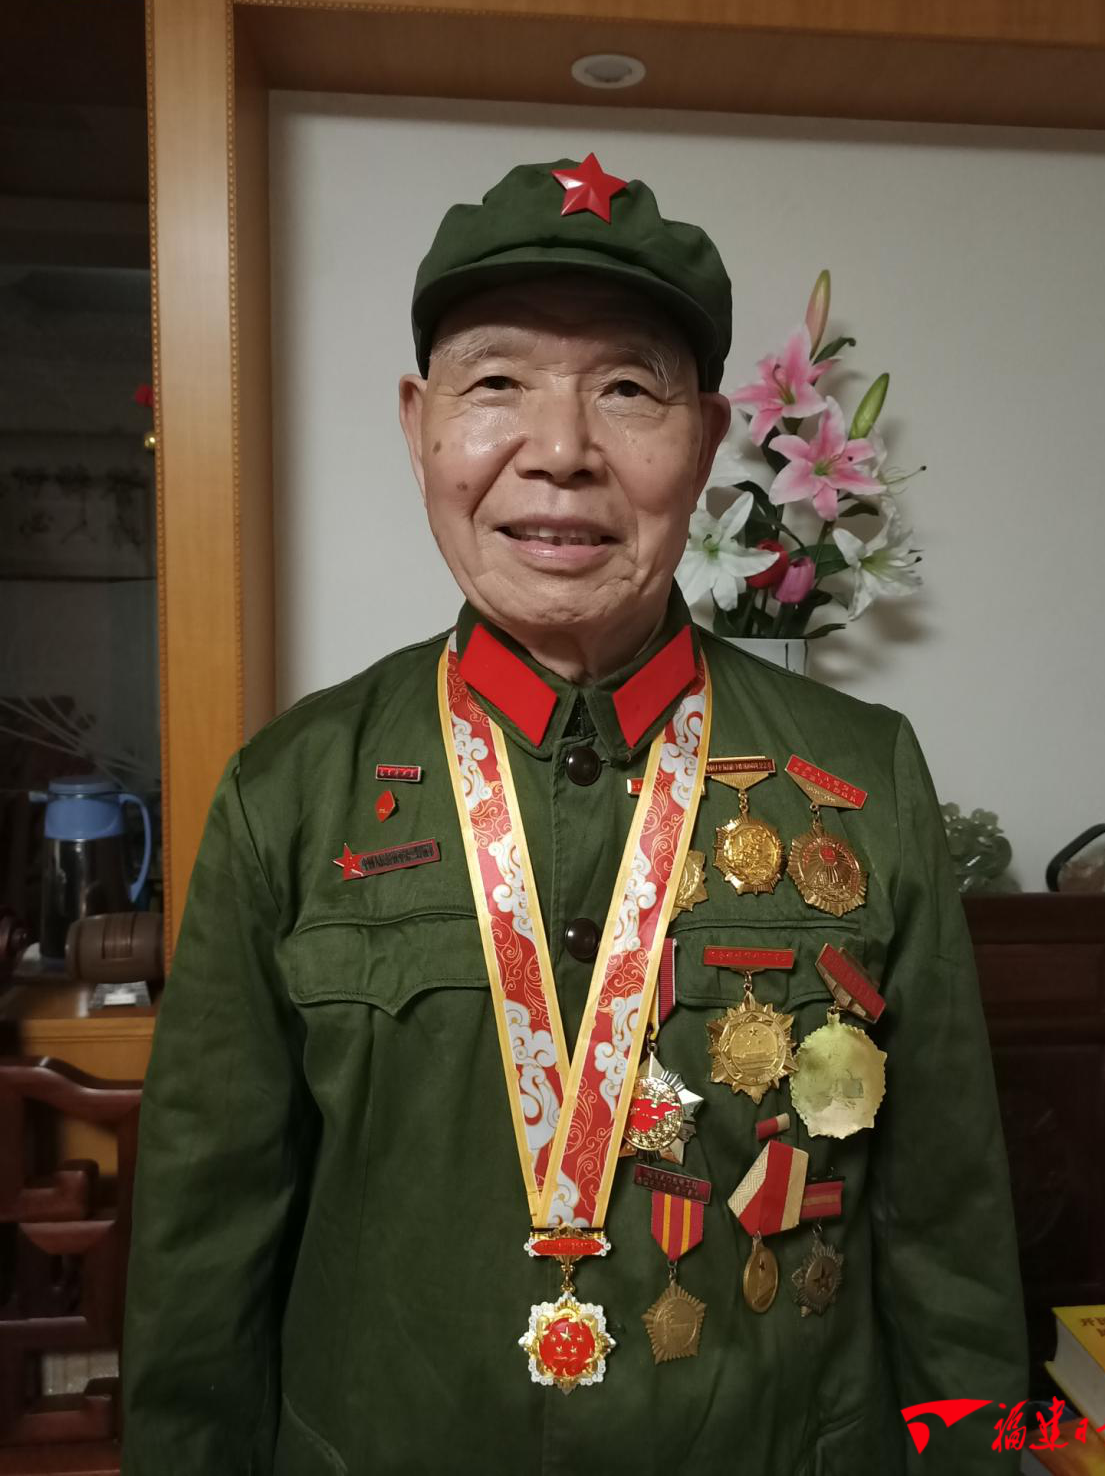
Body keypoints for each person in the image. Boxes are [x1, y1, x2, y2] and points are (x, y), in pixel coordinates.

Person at [121, 154, 1028, 1475]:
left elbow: (952, 1237)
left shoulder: (864, 775)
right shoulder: (292, 792)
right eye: (496, 383)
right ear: (418, 426)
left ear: (704, 440)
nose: (558, 451)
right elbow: (199, 1260)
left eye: (626, 389)